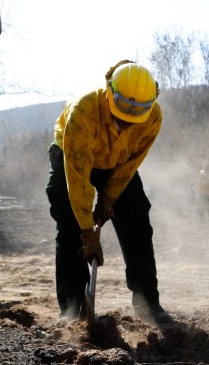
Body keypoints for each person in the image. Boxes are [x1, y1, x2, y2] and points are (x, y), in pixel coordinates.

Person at [45, 60, 172, 324]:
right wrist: (88, 234)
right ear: (110, 91)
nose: (127, 120)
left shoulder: (154, 117)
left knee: (136, 218)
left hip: (116, 163)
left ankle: (148, 304)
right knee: (70, 226)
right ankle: (73, 311)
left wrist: (109, 199)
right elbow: (78, 179)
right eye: (123, 111)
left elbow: (131, 163)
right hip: (72, 156)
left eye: (136, 113)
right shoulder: (84, 111)